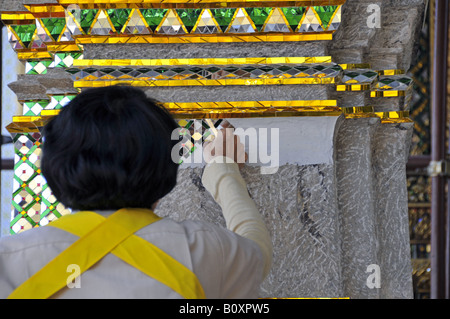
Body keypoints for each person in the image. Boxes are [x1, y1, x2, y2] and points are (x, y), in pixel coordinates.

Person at [0, 86, 272, 299]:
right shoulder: (205, 250)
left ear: (51, 169)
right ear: (167, 170)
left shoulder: (8, 263)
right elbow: (256, 252)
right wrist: (222, 169)